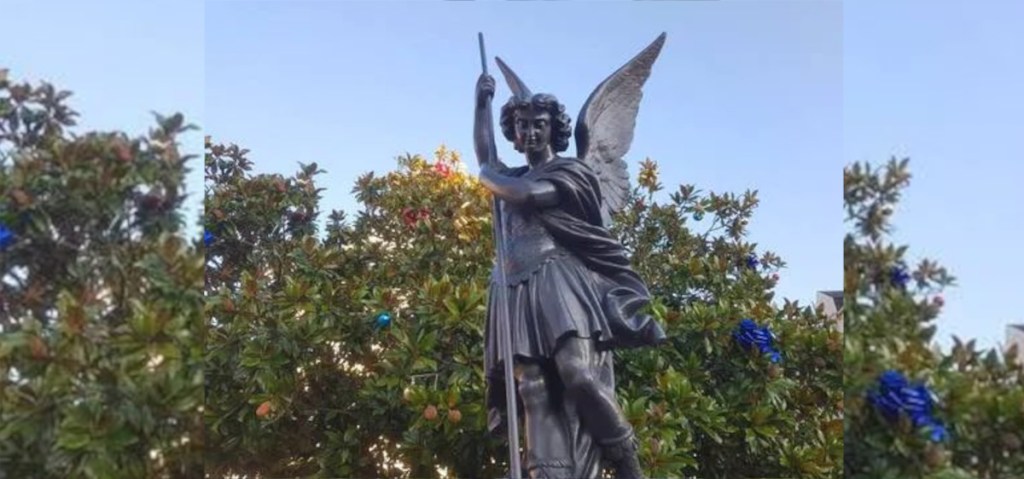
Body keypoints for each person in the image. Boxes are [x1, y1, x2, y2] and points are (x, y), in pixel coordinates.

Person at [474, 68, 666, 479]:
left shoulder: (571, 173)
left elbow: (524, 196)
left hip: (557, 278)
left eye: (538, 125)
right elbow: (486, 153)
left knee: (577, 373)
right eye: (522, 125)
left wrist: (486, 175)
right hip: (511, 284)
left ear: (553, 129)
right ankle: (547, 471)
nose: (529, 133)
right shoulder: (509, 174)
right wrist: (481, 105)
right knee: (531, 388)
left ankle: (626, 458)